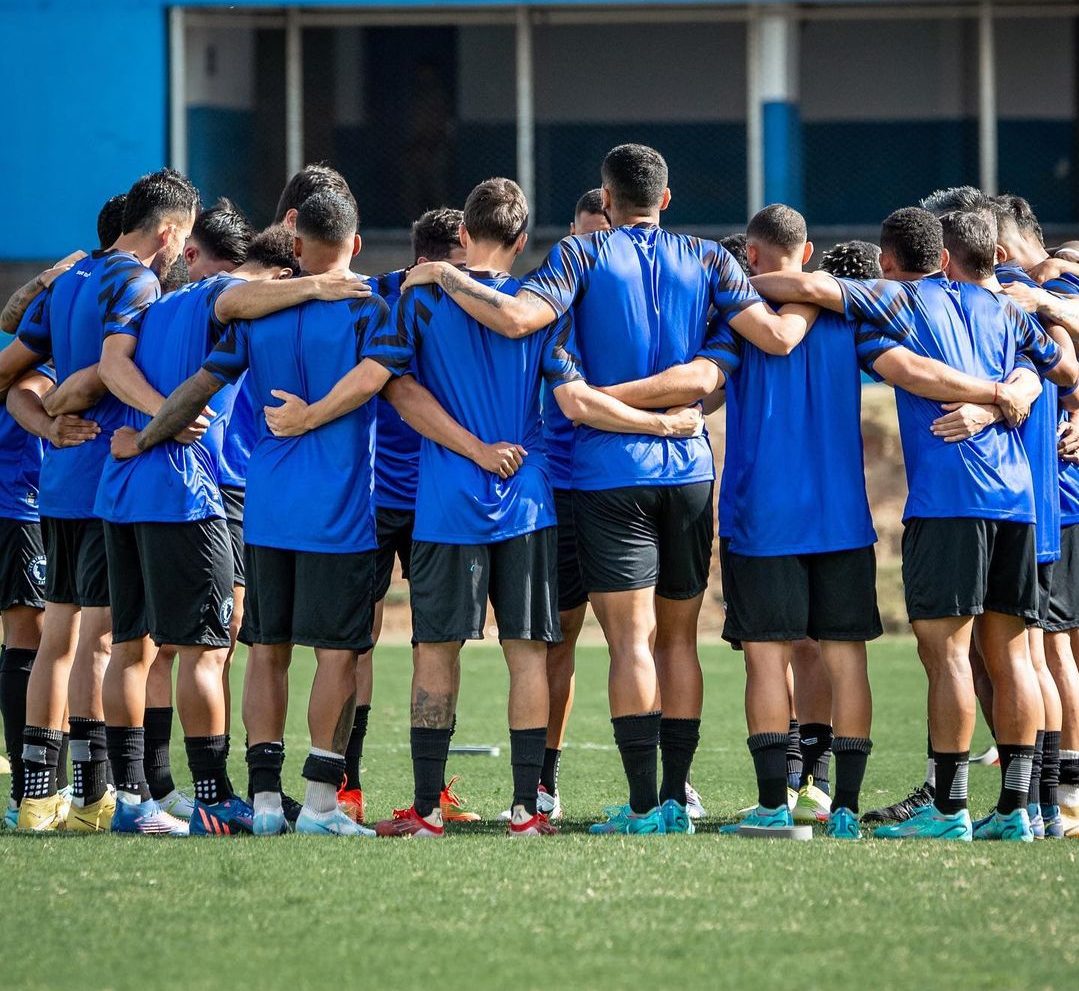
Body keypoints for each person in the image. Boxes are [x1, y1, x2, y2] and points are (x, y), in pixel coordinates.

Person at [264, 177, 704, 838]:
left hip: (445, 503)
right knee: (527, 655)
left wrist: (462, 447)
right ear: (522, 240)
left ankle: (427, 810)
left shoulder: (421, 299)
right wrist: (664, 427)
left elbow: (393, 389)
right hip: (527, 501)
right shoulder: (541, 307)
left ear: (463, 234)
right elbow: (576, 400)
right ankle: (528, 808)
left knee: (433, 654)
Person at [403, 144, 811, 835]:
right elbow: (771, 338)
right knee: (679, 641)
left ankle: (645, 806)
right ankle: (680, 795)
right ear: (666, 197)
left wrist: (445, 273)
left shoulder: (579, 256)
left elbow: (516, 320)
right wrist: (831, 292)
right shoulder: (711, 259)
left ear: (606, 197)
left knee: (631, 643)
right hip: (686, 469)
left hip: (606, 473)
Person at [752, 207, 1077, 841]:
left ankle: (950, 807)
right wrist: (1013, 384)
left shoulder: (897, 300)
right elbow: (1061, 369)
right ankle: (1020, 812)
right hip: (1018, 502)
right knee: (1014, 656)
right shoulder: (1009, 309)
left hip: (950, 502)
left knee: (949, 657)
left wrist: (742, 280)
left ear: (891, 260)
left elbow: (808, 287)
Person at [0, 168, 198, 831]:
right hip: (106, 486)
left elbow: (10, 373)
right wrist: (166, 413)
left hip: (55, 480)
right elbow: (113, 368)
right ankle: (93, 798)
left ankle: (36, 799)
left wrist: (46, 425)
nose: (180, 254)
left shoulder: (70, 280)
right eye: (183, 239)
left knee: (56, 637)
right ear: (167, 230)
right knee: (105, 642)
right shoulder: (136, 282)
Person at [337, 207, 472, 826]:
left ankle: (385, 791)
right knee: (385, 645)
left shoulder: (379, 294)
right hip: (405, 500)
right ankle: (361, 786)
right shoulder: (442, 298)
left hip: (408, 500)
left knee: (412, 645)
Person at [497, 190, 612, 824]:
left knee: (638, 639)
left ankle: (659, 787)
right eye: (588, 235)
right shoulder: (549, 297)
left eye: (608, 234)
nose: (598, 247)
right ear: (572, 233)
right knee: (556, 641)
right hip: (563, 487)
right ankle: (544, 779)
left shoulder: (640, 294)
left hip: (625, 484)